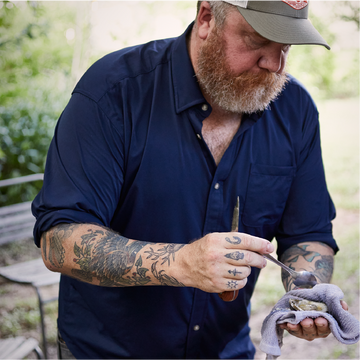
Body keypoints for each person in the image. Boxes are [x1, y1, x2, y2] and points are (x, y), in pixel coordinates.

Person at [32, 0, 346, 359]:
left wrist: (306, 291)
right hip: (108, 351)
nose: (274, 65)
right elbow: (59, 240)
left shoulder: (296, 109)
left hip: (224, 350)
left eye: (286, 48)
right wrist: (182, 263)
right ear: (207, 18)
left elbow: (308, 234)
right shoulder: (114, 91)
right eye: (258, 41)